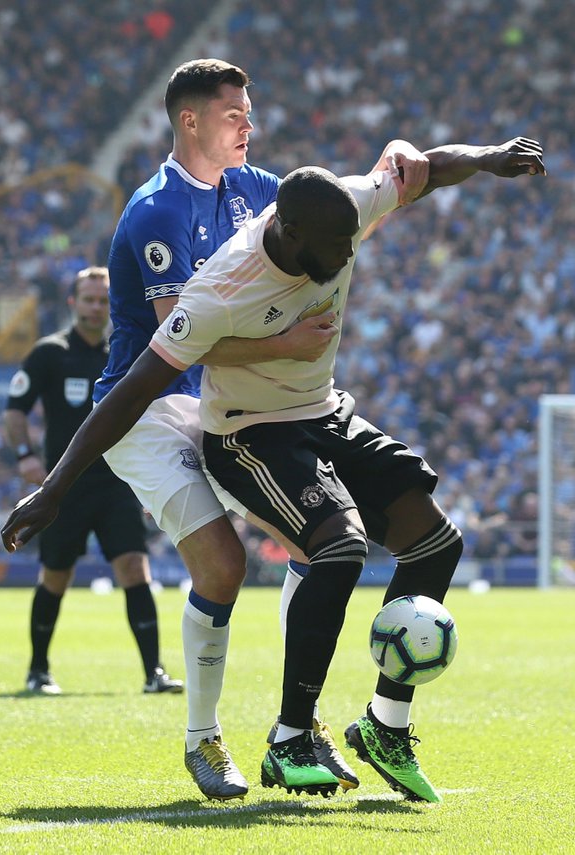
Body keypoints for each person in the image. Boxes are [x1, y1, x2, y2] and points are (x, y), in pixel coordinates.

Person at [2, 140, 547, 802]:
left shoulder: (343, 208)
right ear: (289, 234)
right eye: (335, 246)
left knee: (436, 541)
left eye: (352, 239)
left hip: (324, 412)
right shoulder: (221, 287)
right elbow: (134, 388)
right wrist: (52, 487)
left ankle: (385, 724)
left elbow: (423, 169)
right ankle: (291, 735)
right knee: (339, 549)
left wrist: (489, 158)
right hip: (247, 435)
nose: (349, 254)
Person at [55, 58, 429, 800]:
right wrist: (285, 346)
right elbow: (175, 343)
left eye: (250, 113)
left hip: (223, 406)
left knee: (318, 541)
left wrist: (406, 163)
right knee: (223, 566)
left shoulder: (255, 189)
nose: (248, 125)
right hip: (149, 411)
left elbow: (321, 210)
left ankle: (298, 728)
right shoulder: (156, 211)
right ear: (190, 121)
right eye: (234, 114)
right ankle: (202, 739)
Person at [3, 266, 182, 696]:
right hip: (63, 488)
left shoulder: (124, 349)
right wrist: (25, 456)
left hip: (117, 480)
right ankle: (38, 670)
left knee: (135, 569)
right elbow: (14, 409)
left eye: (103, 300)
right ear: (73, 303)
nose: (96, 306)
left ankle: (153, 673)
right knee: (56, 576)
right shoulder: (49, 353)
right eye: (88, 299)